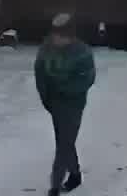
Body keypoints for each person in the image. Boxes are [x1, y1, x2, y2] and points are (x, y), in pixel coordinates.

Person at [34, 12, 95, 194]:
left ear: (71, 36)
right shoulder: (47, 48)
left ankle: (55, 186)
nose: (56, 40)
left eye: (61, 36)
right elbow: (40, 71)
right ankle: (75, 174)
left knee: (63, 145)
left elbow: (86, 80)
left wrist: (63, 89)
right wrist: (46, 97)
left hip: (73, 104)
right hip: (54, 103)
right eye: (55, 35)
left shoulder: (82, 53)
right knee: (65, 141)